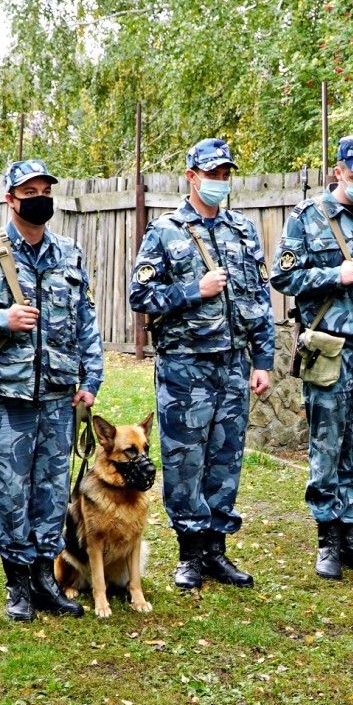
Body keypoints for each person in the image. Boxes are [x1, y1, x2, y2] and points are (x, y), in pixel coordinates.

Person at [0, 159, 102, 621]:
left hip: (57, 393)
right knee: (10, 491)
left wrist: (90, 381)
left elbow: (87, 322)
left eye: (44, 189)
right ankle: (17, 584)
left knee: (51, 491)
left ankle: (45, 580)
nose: (39, 198)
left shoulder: (69, 253)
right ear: (10, 198)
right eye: (28, 191)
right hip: (5, 396)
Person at [129, 137, 275, 591]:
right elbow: (140, 296)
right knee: (184, 459)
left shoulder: (244, 231)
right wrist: (194, 290)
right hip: (184, 368)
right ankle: (189, 553)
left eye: (225, 174)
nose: (219, 182)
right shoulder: (165, 231)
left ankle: (216, 550)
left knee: (225, 458)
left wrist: (262, 360)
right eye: (211, 174)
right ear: (191, 176)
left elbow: (259, 299)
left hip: (233, 363)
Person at [270, 135, 353, 581]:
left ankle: (351, 535)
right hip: (329, 348)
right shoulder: (307, 219)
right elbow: (282, 276)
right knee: (327, 444)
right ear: (338, 172)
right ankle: (327, 539)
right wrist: (334, 273)